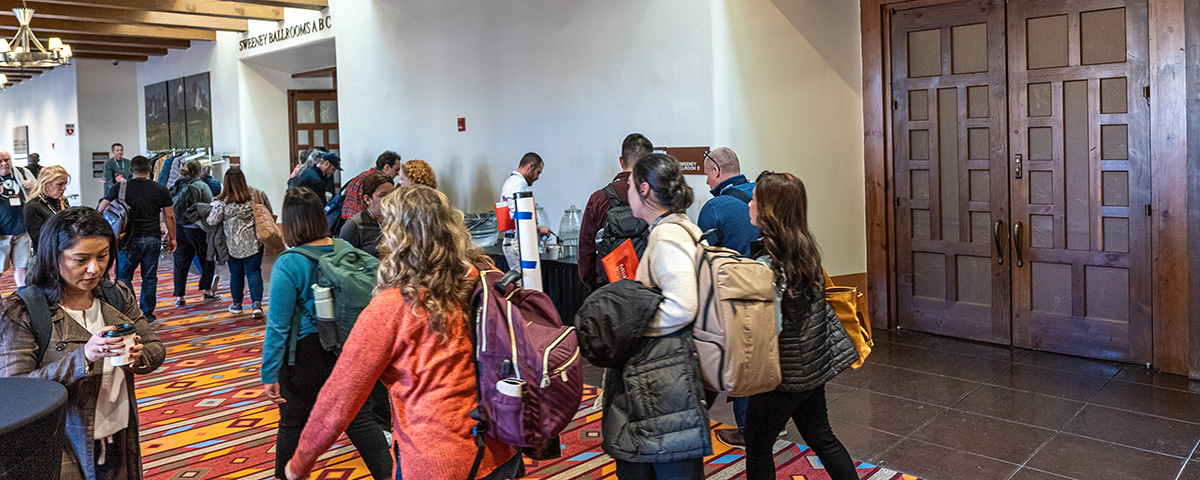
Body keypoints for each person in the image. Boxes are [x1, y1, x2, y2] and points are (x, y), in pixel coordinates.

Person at [284, 185, 521, 480]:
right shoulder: (482, 277)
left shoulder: (393, 306)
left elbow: (340, 396)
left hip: (437, 461)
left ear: (398, 237)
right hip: (502, 444)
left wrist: (299, 463)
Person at [0, 206, 165, 479]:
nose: (94, 268)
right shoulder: (23, 309)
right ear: (53, 257)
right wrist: (84, 357)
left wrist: (139, 355)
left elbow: (156, 348)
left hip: (119, 429)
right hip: (62, 440)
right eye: (80, 259)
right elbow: (17, 391)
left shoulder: (116, 295)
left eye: (103, 256)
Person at [262, 188, 392, 480]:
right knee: (359, 419)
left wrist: (269, 373)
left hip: (304, 359)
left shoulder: (289, 263)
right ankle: (392, 475)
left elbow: (279, 326)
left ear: (291, 222)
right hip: (350, 351)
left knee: (293, 423)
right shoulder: (346, 249)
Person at [743, 171, 858, 480]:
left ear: (769, 210)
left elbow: (769, 329)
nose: (749, 204)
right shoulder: (806, 251)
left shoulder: (768, 266)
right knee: (822, 436)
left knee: (757, 444)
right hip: (811, 365)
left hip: (784, 375)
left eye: (754, 199)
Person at [612, 153, 710, 478]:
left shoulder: (666, 236)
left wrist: (636, 328)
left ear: (643, 189)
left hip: (663, 376)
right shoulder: (682, 226)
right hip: (671, 372)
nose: (624, 191)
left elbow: (683, 305)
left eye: (628, 184)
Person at [696, 146, 759, 448]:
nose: (706, 181)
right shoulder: (764, 193)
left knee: (740, 361)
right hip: (770, 290)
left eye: (706, 173)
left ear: (717, 171)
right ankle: (773, 424)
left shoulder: (716, 207)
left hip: (735, 296)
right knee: (765, 358)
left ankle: (746, 430)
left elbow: (702, 259)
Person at [99, 155, 176, 322]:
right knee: (149, 277)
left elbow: (101, 208)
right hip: (152, 238)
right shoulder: (160, 189)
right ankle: (147, 313)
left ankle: (132, 311)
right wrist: (173, 237)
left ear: (130, 170)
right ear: (149, 169)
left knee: (124, 276)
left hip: (128, 239)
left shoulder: (121, 188)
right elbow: (169, 216)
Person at [578, 133, 652, 292]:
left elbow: (586, 254)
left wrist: (596, 287)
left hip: (607, 291)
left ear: (621, 160)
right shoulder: (654, 198)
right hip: (646, 293)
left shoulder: (598, 199)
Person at [207, 167, 269, 319]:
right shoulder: (255, 194)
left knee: (236, 274)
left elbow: (211, 221)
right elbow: (267, 211)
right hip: (254, 242)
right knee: (254, 272)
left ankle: (237, 304)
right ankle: (256, 305)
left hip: (232, 245)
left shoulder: (223, 201)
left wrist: (213, 205)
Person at [170, 161, 219, 308]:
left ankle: (180, 296)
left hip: (180, 228)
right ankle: (208, 290)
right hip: (198, 228)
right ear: (199, 172)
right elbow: (208, 207)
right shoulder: (202, 186)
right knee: (207, 259)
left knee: (180, 263)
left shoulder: (177, 184)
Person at [499, 152, 551, 270]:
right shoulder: (519, 183)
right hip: (517, 243)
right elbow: (516, 215)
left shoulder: (511, 181)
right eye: (538, 172)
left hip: (512, 241)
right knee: (525, 283)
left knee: (524, 282)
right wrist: (538, 229)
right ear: (530, 167)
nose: (537, 177)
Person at [0, 150, 36, 288]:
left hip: (22, 229)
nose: (4, 164)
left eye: (7, 160)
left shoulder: (22, 173)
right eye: (0, 161)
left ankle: (22, 296)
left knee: (22, 267)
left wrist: (32, 186)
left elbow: (38, 190)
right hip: (3, 233)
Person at [339, 171, 393, 258]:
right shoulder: (354, 225)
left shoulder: (397, 219)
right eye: (382, 195)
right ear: (367, 199)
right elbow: (344, 261)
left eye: (392, 193)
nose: (390, 199)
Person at [340, 151, 401, 219]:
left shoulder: (362, 175)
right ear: (387, 167)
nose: (398, 174)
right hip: (360, 222)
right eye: (396, 170)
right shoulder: (373, 181)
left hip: (347, 217)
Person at [24, 165, 70, 252]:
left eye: (65, 184)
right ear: (46, 184)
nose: (64, 188)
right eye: (60, 184)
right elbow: (38, 240)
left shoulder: (63, 201)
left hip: (64, 250)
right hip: (46, 254)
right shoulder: (33, 206)